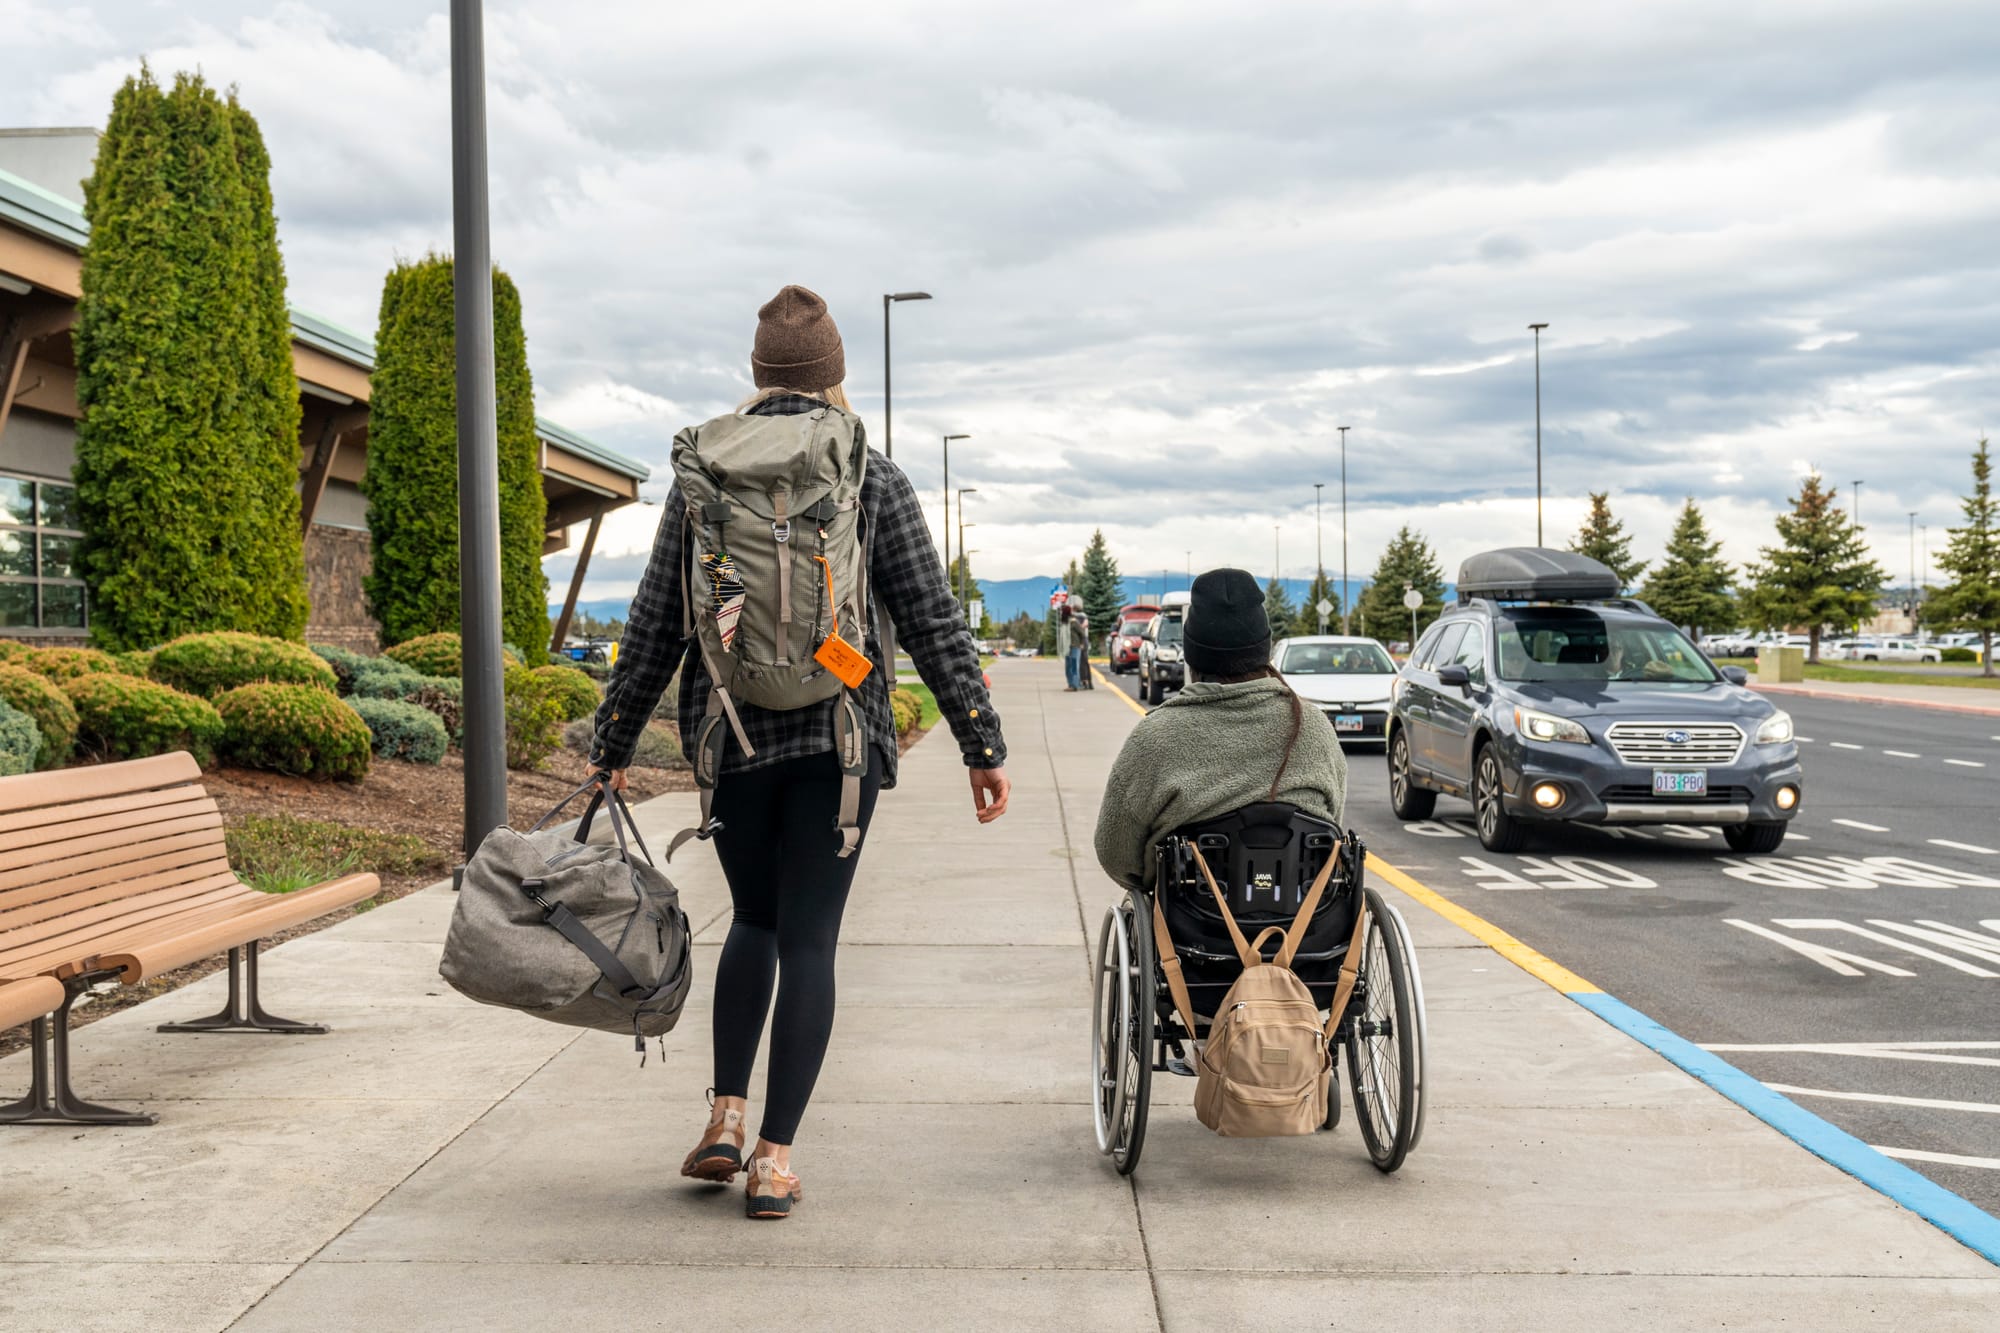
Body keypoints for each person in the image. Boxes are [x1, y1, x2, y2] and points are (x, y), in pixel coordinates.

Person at [590, 284, 1012, 1220]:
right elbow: (932, 619)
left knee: (752, 921)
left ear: (758, 373)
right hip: (840, 743)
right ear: (835, 374)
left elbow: (656, 617)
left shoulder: (706, 475)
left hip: (730, 735)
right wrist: (980, 742)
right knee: (811, 938)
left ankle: (726, 1117)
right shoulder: (870, 475)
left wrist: (614, 740)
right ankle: (775, 1160)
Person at [1093, 568, 1347, 889]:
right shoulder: (1313, 727)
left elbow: (1115, 853)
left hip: (1192, 926)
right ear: (1263, 648)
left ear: (1193, 653)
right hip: (1308, 921)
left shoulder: (1157, 736)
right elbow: (1332, 822)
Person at [1058, 599, 1080, 690]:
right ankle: (1070, 684)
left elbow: (1081, 633)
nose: (1060, 614)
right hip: (1067, 648)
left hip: (1074, 647)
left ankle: (1074, 685)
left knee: (1074, 667)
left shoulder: (1073, 622)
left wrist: (1081, 644)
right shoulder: (1064, 624)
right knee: (1068, 668)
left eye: (1061, 612)